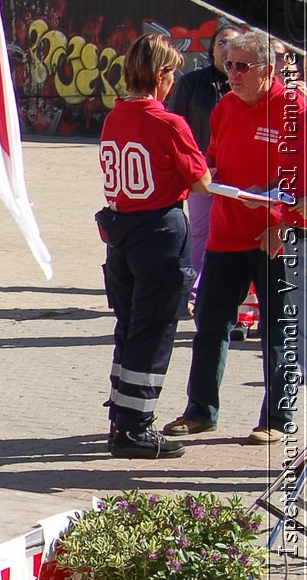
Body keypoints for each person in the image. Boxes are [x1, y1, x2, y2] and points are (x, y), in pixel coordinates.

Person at [166, 30, 307, 445]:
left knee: (279, 329)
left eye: (243, 66)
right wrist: (207, 178)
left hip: (278, 238)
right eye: (228, 64)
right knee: (210, 324)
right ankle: (200, 411)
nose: (233, 74)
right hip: (227, 235)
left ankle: (278, 419)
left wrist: (281, 223)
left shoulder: (294, 110)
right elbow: (215, 159)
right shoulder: (225, 107)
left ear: (269, 68)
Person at [97, 34, 211, 459]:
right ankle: (135, 427)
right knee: (155, 329)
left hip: (121, 230)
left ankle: (120, 416)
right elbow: (200, 181)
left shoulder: (114, 118)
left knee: (128, 326)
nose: (174, 82)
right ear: (161, 75)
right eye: (172, 74)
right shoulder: (168, 123)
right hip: (159, 229)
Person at [167, 24, 241, 310]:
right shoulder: (192, 83)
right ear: (211, 49)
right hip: (202, 172)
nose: (226, 49)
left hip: (239, 173)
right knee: (201, 230)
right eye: (221, 43)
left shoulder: (246, 86)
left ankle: (238, 294)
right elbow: (175, 126)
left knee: (237, 232)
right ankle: (196, 291)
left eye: (233, 44)